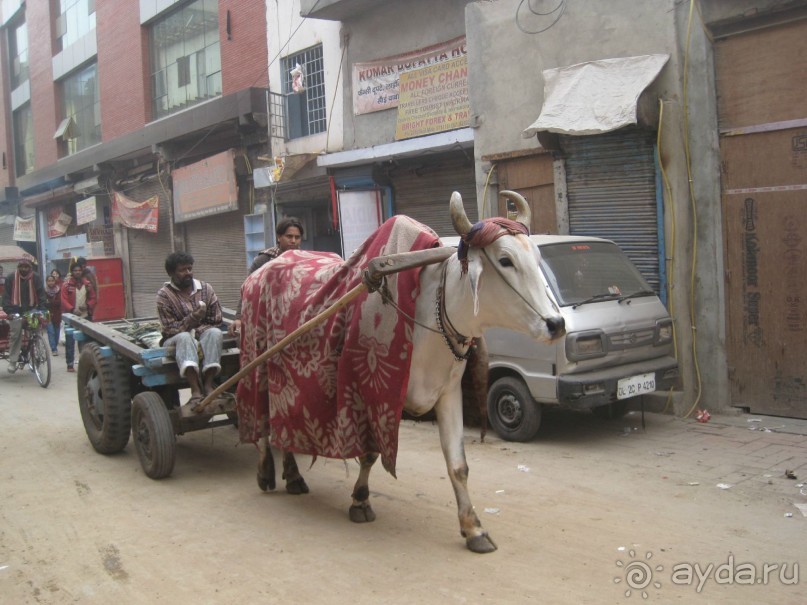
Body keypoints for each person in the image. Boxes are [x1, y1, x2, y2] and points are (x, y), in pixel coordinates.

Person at [157, 251, 224, 410]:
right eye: (182, 270)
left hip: (202, 334)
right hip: (174, 340)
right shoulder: (164, 295)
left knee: (215, 333)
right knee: (185, 338)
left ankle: (208, 385)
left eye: (189, 269)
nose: (188, 273)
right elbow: (169, 328)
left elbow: (216, 320)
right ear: (172, 273)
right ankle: (195, 389)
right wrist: (192, 319)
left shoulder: (206, 289)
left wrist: (197, 329)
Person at [229, 217, 304, 336]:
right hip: (268, 317)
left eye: (297, 237)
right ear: (279, 237)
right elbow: (248, 291)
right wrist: (239, 318)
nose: (293, 241)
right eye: (289, 236)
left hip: (297, 316)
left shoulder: (306, 261)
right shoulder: (264, 260)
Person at [2, 258, 47, 374]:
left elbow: (41, 294)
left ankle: (35, 352)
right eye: (21, 267)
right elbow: (6, 297)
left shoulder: (36, 278)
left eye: (26, 267)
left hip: (32, 310)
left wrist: (42, 309)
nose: (24, 269)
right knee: (16, 334)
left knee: (36, 332)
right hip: (15, 311)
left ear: (30, 268)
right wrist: (9, 312)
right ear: (18, 267)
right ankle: (13, 361)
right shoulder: (11, 278)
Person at [61, 260, 97, 372]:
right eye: (75, 270)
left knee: (84, 341)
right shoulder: (66, 285)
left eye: (79, 270)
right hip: (71, 317)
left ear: (82, 272)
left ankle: (84, 364)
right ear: (72, 272)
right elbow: (63, 299)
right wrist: (72, 309)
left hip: (85, 316)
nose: (77, 272)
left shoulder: (87, 284)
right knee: (70, 341)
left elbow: (93, 297)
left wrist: (87, 306)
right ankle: (70, 364)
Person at [44, 274, 62, 355]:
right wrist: (50, 303)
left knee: (57, 332)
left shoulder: (58, 290)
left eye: (52, 280)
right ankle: (53, 349)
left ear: (55, 281)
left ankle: (55, 344)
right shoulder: (44, 291)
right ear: (46, 282)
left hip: (57, 314)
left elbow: (59, 302)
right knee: (50, 331)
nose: (51, 282)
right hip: (47, 314)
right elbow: (44, 303)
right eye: (49, 281)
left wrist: (50, 303)